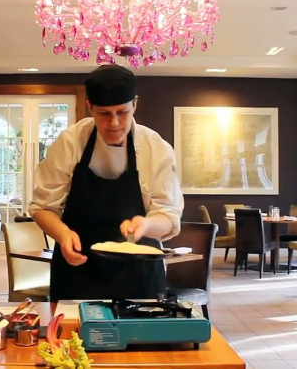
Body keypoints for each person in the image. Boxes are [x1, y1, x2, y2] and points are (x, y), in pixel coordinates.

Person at [28, 64, 184, 301]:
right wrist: (62, 235)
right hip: (77, 268)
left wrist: (146, 225)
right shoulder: (70, 143)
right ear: (89, 107)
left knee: (141, 337)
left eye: (122, 112)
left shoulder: (156, 148)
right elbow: (43, 208)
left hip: (139, 273)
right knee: (73, 337)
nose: (114, 123)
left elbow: (169, 216)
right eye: (104, 113)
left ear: (135, 104)